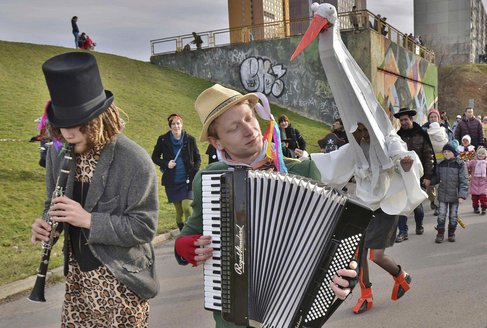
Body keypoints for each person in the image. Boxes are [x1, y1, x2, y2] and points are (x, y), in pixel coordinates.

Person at [173, 84, 357, 328]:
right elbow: (189, 236)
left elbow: (329, 240)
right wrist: (184, 247)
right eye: (234, 128)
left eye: (249, 119)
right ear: (217, 142)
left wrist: (346, 276)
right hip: (234, 319)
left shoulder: (301, 170)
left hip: (292, 312)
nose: (249, 130)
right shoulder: (209, 180)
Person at [30, 52, 158, 326]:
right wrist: (47, 228)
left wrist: (88, 220)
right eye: (61, 122)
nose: (67, 132)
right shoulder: (58, 152)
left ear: (99, 117)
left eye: (77, 122)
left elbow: (144, 228)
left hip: (121, 281)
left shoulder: (134, 160)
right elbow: (52, 205)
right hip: (77, 279)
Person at [345, 123, 414, 314]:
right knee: (359, 252)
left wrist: (406, 166)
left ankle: (401, 276)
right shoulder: (356, 148)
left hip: (386, 206)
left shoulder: (389, 144)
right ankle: (366, 294)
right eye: (360, 130)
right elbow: (335, 162)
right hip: (365, 205)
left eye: (367, 130)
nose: (364, 134)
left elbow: (401, 158)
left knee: (376, 256)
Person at [151, 114, 201, 231]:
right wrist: (166, 163)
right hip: (172, 182)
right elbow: (155, 157)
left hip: (188, 181)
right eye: (173, 124)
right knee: (179, 212)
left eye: (178, 123)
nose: (176, 126)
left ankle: (190, 232)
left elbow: (197, 158)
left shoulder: (190, 139)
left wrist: (194, 170)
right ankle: (182, 230)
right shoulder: (163, 139)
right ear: (170, 126)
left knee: (187, 207)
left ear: (182, 125)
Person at [394, 108, 435, 240]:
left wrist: (428, 176)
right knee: (402, 204)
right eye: (401, 120)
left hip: (419, 175)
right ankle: (403, 231)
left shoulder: (421, 134)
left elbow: (429, 156)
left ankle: (419, 224)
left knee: (417, 204)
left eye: (406, 119)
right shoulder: (397, 136)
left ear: (411, 119)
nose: (404, 122)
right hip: (402, 175)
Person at [434, 143, 468, 243]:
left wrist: (462, 195)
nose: (446, 154)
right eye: (444, 152)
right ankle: (440, 233)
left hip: (455, 195)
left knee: (453, 215)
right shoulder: (441, 164)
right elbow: (436, 178)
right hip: (443, 194)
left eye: (448, 152)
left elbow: (464, 180)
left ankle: (451, 233)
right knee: (441, 214)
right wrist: (428, 181)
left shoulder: (460, 164)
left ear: (453, 153)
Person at [467, 147, 487, 215]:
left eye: (482, 154)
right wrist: (463, 162)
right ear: (477, 154)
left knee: (483, 198)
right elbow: (466, 165)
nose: (480, 155)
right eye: (479, 153)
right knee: (474, 198)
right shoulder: (473, 162)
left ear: (485, 155)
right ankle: (476, 208)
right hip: (474, 183)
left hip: (483, 184)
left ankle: (484, 208)